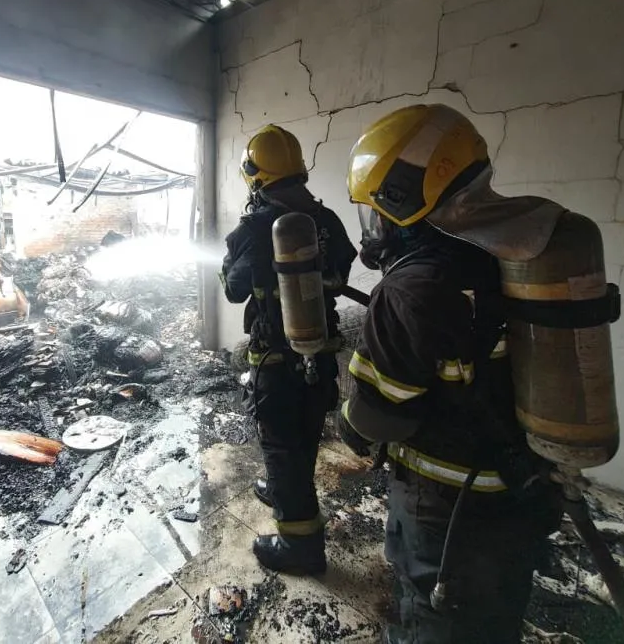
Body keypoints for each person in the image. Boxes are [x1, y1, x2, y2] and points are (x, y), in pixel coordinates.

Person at [337, 105, 562, 643]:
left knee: (438, 616)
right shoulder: (514, 256)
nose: (375, 227)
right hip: (522, 487)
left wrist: (349, 421)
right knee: (493, 616)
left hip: (449, 507)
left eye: (377, 210)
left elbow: (379, 417)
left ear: (402, 199)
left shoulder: (411, 288)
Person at [220, 124, 356, 574]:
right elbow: (343, 272)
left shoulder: (256, 227)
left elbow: (234, 290)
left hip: (276, 363)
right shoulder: (328, 219)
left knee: (279, 444)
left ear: (256, 175)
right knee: (305, 433)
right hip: (319, 356)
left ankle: (300, 547)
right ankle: (285, 489)